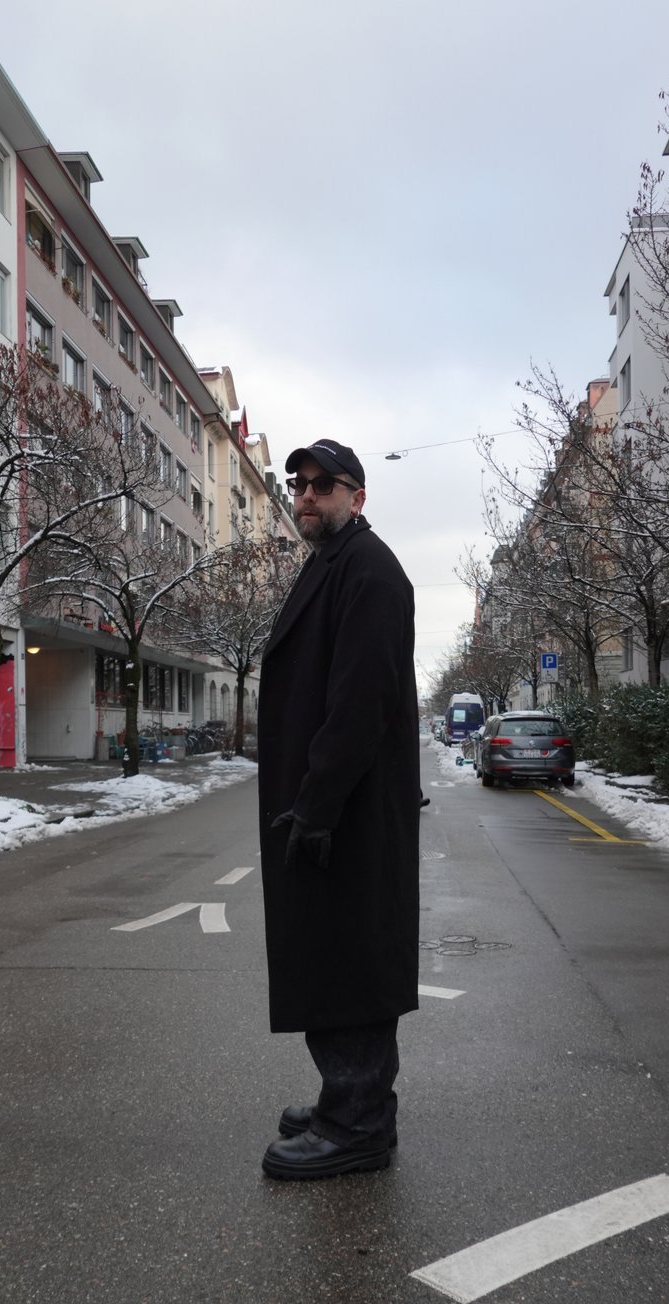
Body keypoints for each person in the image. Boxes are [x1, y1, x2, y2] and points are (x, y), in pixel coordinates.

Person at [257, 439, 420, 1181]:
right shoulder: (333, 563)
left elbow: (360, 703)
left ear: (356, 496)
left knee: (348, 960)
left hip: (345, 816)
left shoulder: (370, 570)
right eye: (299, 484)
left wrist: (317, 806)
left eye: (325, 485)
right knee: (328, 957)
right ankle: (345, 1100)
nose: (307, 496)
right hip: (326, 808)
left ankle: (356, 1121)